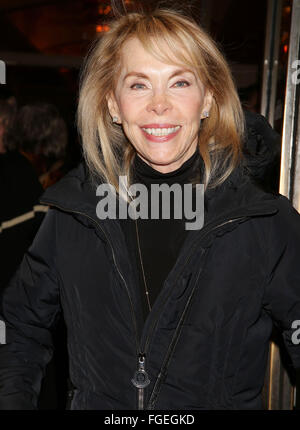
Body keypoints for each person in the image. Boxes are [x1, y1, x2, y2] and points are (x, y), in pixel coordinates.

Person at [0, 9, 300, 411]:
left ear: (208, 99)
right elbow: (18, 328)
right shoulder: (75, 214)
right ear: (112, 105)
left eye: (179, 82)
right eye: (139, 85)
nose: (159, 105)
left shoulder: (263, 222)